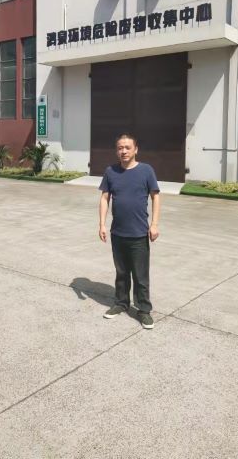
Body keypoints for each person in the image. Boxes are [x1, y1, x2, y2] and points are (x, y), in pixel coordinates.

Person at [98, 134, 160, 329]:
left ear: (135, 149)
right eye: (120, 148)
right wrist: (102, 224)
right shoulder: (111, 171)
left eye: (127, 147)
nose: (123, 151)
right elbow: (104, 198)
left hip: (139, 233)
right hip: (118, 233)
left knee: (140, 276)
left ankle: (144, 310)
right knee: (121, 272)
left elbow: (155, 197)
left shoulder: (146, 170)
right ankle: (121, 303)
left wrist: (154, 224)